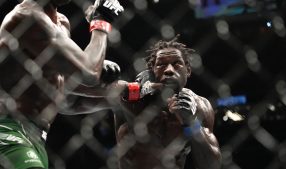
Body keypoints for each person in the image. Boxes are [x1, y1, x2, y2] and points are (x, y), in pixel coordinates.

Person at [0, 0, 124, 168]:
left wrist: (130, 90)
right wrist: (102, 20)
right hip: (7, 127)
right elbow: (89, 73)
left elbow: (63, 92)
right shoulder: (26, 16)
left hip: (37, 137)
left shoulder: (62, 23)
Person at [67, 36, 222, 169]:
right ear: (151, 70)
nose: (168, 70)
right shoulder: (128, 98)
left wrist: (192, 123)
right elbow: (68, 104)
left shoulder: (199, 106)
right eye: (161, 64)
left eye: (176, 64)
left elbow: (212, 165)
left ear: (187, 70)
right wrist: (95, 74)